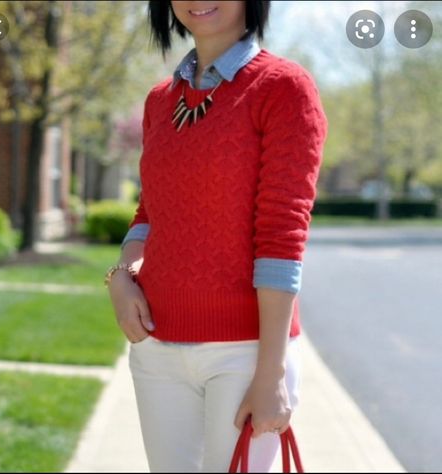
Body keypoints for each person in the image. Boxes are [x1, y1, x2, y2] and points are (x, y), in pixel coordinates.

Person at [105, 1, 328, 472]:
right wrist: (123, 276)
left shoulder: (284, 89)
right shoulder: (159, 100)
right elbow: (150, 211)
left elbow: (282, 235)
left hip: (245, 354)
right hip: (157, 350)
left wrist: (271, 375)